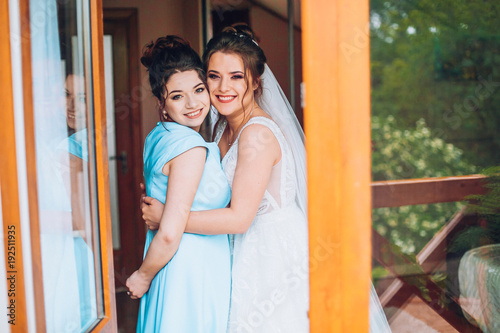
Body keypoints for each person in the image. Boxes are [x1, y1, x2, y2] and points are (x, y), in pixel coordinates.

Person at [142, 25, 392, 332]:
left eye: (236, 77)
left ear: (256, 81)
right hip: (241, 248)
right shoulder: (222, 127)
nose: (223, 87)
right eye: (213, 76)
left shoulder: (256, 135)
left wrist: (166, 217)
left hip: (272, 254)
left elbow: (239, 219)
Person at [125, 36, 232, 333]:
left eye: (198, 90)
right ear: (161, 102)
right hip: (190, 271)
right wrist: (142, 276)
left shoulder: (158, 135)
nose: (192, 103)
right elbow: (170, 233)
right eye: (177, 96)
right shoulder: (190, 147)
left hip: (172, 267)